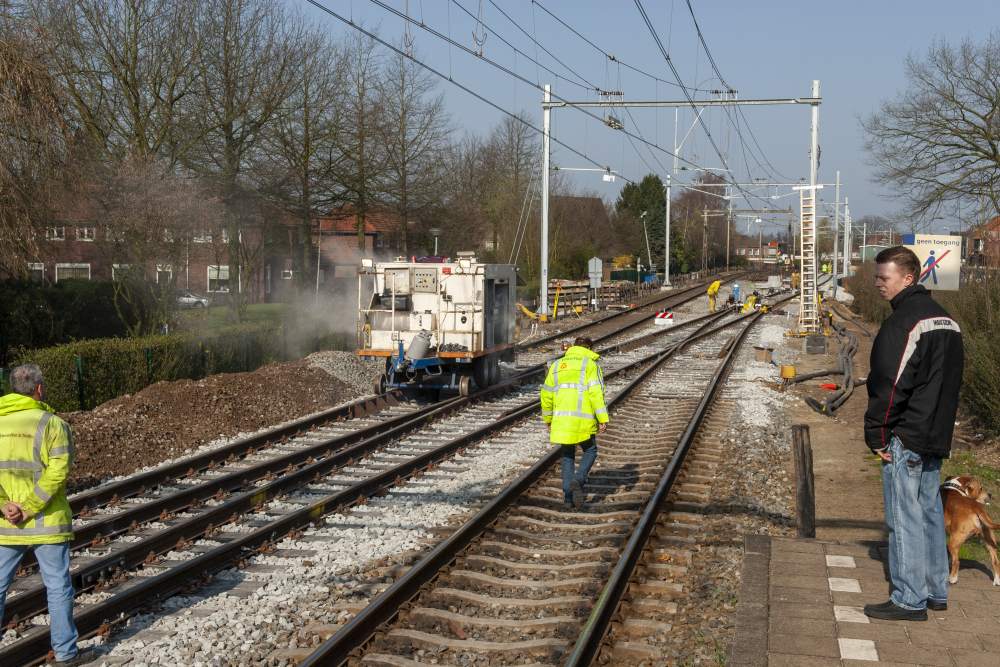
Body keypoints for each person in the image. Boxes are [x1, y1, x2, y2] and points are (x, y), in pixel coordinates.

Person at [863, 246, 964, 621]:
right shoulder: (948, 321)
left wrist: (877, 434)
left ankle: (908, 599)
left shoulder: (903, 322)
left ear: (907, 278)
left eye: (883, 278)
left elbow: (889, 385)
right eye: (876, 277)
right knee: (929, 515)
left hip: (906, 437)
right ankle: (936, 591)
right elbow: (950, 384)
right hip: (935, 434)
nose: (876, 284)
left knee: (904, 518)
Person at [0, 365, 97, 665]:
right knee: (57, 587)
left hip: (6, 522)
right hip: (47, 523)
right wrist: (28, 507)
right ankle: (66, 654)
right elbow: (57, 475)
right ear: (39, 389)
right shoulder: (53, 424)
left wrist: (5, 504)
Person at [540, 337, 609, 509]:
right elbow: (596, 393)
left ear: (572, 347)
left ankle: (568, 499)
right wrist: (602, 418)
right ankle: (578, 479)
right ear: (589, 348)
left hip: (562, 419)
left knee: (567, 456)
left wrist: (548, 419)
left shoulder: (556, 365)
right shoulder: (590, 364)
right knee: (590, 449)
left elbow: (546, 395)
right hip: (583, 420)